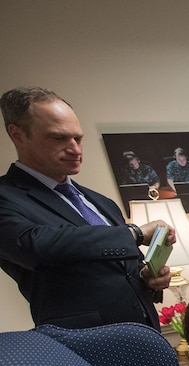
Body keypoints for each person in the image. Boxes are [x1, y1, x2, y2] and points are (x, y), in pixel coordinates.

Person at [0, 86, 174, 328]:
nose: (76, 149)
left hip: (144, 334)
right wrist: (133, 233)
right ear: (17, 135)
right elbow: (36, 247)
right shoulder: (7, 196)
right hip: (82, 343)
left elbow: (123, 267)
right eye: (59, 138)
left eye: (78, 138)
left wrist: (147, 277)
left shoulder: (100, 202)